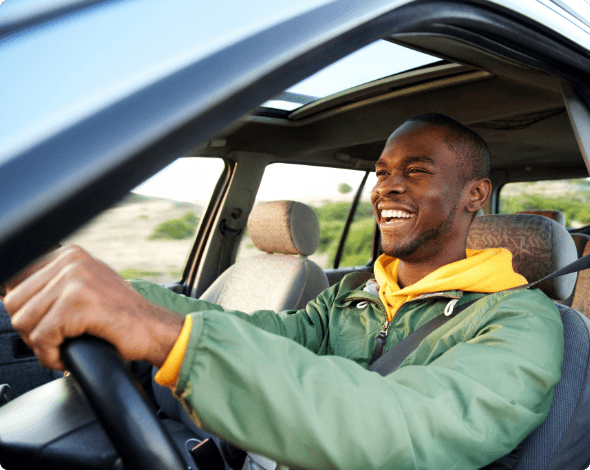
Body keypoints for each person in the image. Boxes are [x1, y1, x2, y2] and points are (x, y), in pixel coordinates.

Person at [2, 114, 564, 469]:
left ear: (475, 194)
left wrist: (166, 335)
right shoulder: (354, 297)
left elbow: (407, 428)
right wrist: (125, 297)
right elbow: (266, 333)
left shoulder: (520, 323)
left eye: (416, 171)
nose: (387, 185)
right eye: (382, 171)